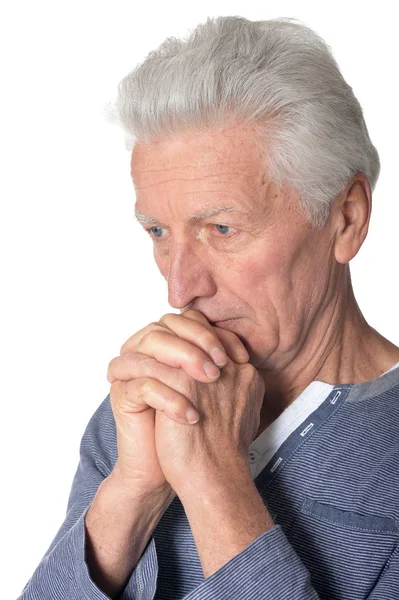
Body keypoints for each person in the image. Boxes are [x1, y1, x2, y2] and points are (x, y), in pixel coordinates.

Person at [19, 15, 399, 600]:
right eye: (157, 231)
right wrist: (133, 492)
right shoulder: (144, 406)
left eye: (221, 227)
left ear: (346, 218)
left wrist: (215, 485)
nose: (179, 288)